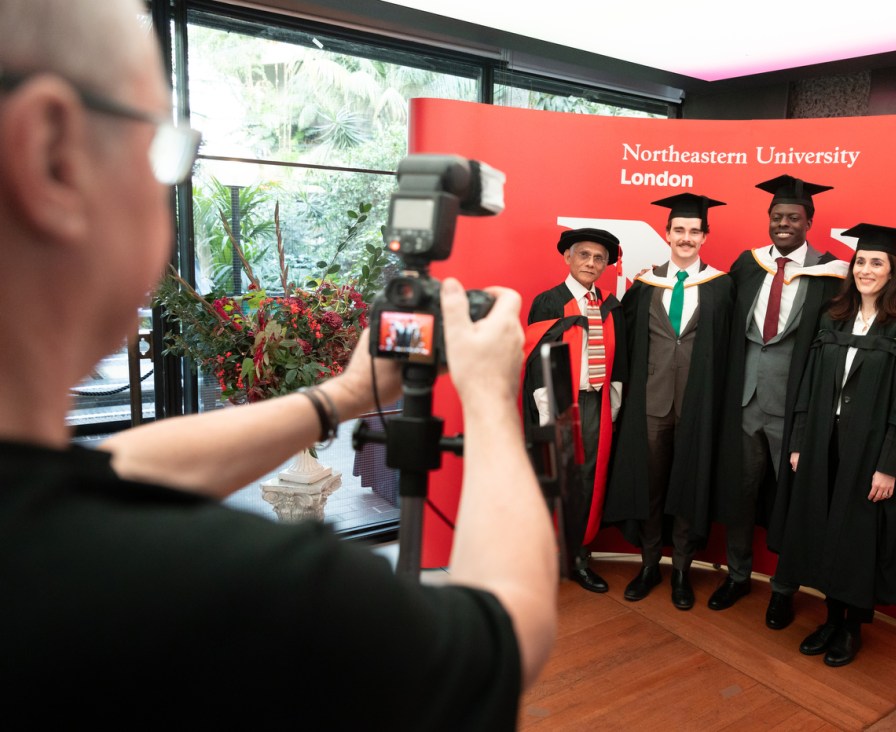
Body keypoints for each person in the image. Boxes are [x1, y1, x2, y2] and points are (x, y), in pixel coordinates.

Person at [0, 0, 557, 724]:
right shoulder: (255, 593)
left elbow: (120, 470)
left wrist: (345, 394)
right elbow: (511, 629)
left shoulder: (42, 519)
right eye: (158, 145)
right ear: (52, 156)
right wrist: (488, 397)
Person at [708, 175, 896, 632]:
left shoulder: (831, 273)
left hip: (797, 409)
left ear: (809, 222)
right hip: (746, 402)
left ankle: (783, 591)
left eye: (793, 217)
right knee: (741, 492)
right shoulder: (745, 266)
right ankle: (736, 575)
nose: (784, 224)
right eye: (777, 217)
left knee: (795, 501)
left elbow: (869, 311)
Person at [771, 223, 896, 668]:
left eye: (876, 262)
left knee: (858, 536)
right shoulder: (832, 317)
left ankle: (850, 628)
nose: (866, 269)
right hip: (825, 443)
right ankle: (829, 617)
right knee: (824, 528)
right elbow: (807, 385)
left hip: (870, 449)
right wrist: (801, 441)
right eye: (861, 261)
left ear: (892, 271)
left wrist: (890, 465)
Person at [603, 192, 732, 610]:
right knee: (652, 488)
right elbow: (619, 337)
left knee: (689, 488)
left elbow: (733, 348)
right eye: (680, 230)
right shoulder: (644, 285)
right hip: (651, 406)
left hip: (698, 407)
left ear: (705, 236)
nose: (686, 238)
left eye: (695, 231)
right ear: (667, 233)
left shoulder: (721, 287)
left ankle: (681, 571)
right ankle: (648, 565)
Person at [523, 228, 625, 593]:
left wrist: (611, 405)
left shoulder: (611, 305)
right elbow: (536, 360)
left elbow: (621, 360)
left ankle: (580, 557)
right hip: (558, 405)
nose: (592, 264)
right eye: (584, 255)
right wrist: (548, 413)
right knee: (554, 478)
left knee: (588, 479)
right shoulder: (549, 302)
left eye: (599, 258)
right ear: (568, 257)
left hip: (596, 404)